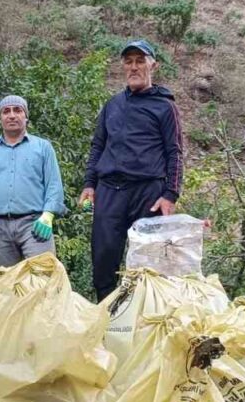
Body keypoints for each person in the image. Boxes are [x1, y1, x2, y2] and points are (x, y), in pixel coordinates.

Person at [79, 39, 185, 301]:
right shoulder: (112, 105)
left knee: (148, 262)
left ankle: (144, 318)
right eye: (129, 61)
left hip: (147, 193)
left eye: (140, 60)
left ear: (153, 65)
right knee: (104, 258)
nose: (134, 67)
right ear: (123, 67)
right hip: (110, 191)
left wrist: (170, 195)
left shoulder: (165, 106)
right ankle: (108, 318)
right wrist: (89, 184)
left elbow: (175, 152)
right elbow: (98, 146)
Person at [0, 95, 66, 277]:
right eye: (6, 111)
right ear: (0, 118)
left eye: (17, 110)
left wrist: (48, 215)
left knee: (42, 280)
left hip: (35, 226)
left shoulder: (43, 148)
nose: (12, 115)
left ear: (26, 116)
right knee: (4, 284)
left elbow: (54, 184)